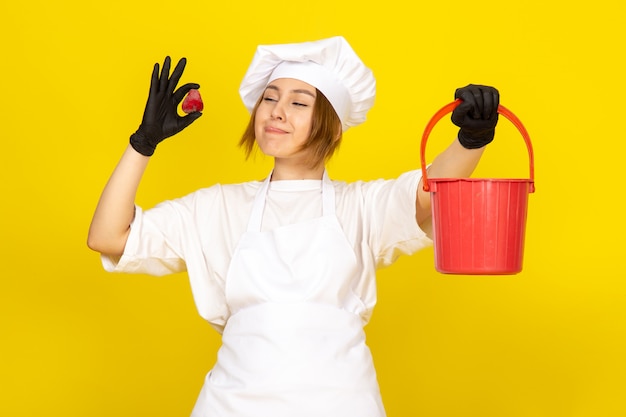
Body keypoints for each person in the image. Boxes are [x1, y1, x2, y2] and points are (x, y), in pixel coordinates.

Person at [87, 36, 499, 417]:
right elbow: (108, 237)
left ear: (333, 126)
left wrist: (471, 139)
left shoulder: (361, 207)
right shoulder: (217, 208)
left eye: (299, 103)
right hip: (234, 404)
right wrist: (142, 144)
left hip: (342, 402)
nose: (277, 111)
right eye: (270, 98)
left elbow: (431, 190)